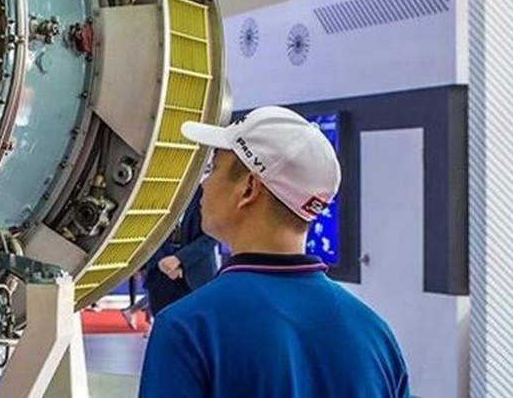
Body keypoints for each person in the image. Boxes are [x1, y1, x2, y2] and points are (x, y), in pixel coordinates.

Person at [138, 106, 409, 398]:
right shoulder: (376, 336)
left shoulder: (187, 329)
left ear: (249, 188)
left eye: (213, 168)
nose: (204, 183)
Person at [140, 186, 217, 316]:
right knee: (163, 324)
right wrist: (162, 261)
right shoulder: (153, 192)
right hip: (160, 276)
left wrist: (179, 259)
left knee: (197, 326)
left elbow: (212, 236)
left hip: (196, 276)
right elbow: (144, 229)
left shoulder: (208, 192)